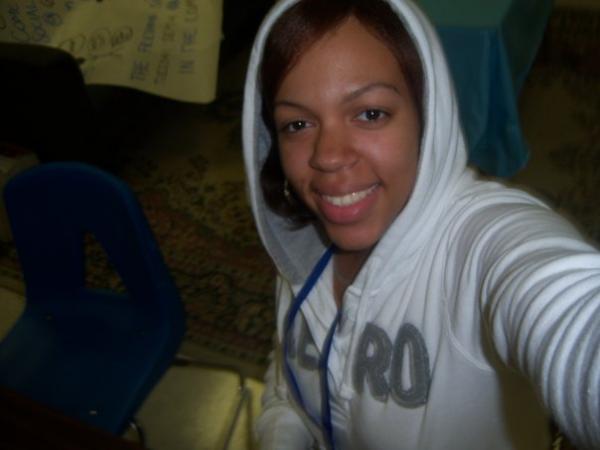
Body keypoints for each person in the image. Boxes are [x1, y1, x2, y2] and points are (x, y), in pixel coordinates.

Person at [241, 0, 600, 448]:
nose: (327, 156)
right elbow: (289, 382)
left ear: (429, 115)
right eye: (297, 123)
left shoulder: (478, 241)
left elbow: (562, 302)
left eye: (370, 113)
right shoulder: (306, 244)